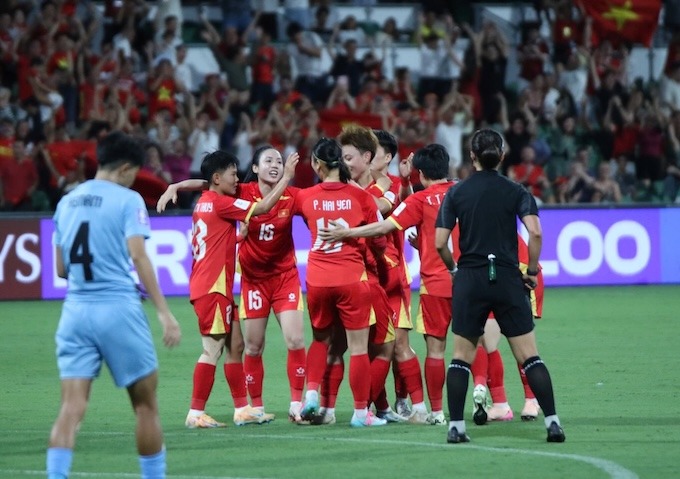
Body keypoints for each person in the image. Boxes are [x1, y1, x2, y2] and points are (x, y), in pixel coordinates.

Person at [47, 131, 182, 479]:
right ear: (124, 168)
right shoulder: (128, 200)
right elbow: (138, 256)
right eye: (134, 172)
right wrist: (164, 313)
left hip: (75, 312)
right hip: (118, 309)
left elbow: (60, 269)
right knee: (146, 406)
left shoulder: (66, 202)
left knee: (71, 407)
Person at [157, 146, 307, 421]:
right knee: (212, 350)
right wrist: (287, 176)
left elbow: (210, 198)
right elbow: (262, 207)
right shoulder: (223, 201)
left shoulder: (209, 199)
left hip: (222, 286)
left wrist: (177, 185)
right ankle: (196, 413)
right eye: (233, 175)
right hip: (214, 287)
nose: (237, 180)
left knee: (236, 345)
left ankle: (242, 410)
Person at [434, 128, 565, 443]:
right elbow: (536, 233)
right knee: (530, 357)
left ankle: (456, 428)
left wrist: (454, 269)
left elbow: (439, 242)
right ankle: (553, 424)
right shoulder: (517, 191)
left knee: (460, 358)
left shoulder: (456, 193)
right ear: (502, 156)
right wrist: (531, 270)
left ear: (472, 156)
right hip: (506, 277)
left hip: (470, 278)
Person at [319, 143, 457, 425]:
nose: (346, 162)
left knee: (395, 345)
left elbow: (385, 214)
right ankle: (365, 407)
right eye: (343, 158)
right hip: (354, 277)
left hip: (389, 275)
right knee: (347, 345)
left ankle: (415, 406)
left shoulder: (392, 186)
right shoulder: (456, 191)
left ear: (371, 157)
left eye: (350, 157)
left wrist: (348, 230)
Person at [296, 137, 388, 427]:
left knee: (321, 340)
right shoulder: (361, 197)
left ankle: (312, 395)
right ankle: (361, 414)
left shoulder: (304, 196)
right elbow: (381, 240)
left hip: (317, 279)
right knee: (358, 348)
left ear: (317, 164)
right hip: (351, 278)